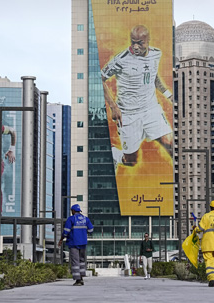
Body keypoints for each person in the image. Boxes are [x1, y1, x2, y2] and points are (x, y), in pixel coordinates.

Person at [101, 25, 173, 171]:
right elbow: (99, 79)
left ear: (148, 41)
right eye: (133, 42)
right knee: (131, 161)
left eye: (140, 43)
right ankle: (115, 154)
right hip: (128, 114)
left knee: (170, 145)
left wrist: (168, 96)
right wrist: (114, 107)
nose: (135, 46)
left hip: (151, 109)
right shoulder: (120, 60)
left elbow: (153, 77)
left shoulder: (156, 54)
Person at [58, 204, 94, 286]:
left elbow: (66, 231)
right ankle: (81, 277)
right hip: (83, 243)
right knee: (82, 261)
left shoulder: (71, 219)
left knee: (75, 262)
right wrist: (83, 233)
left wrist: (61, 239)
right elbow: (91, 230)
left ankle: (78, 280)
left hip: (73, 243)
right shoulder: (86, 219)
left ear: (73, 211)